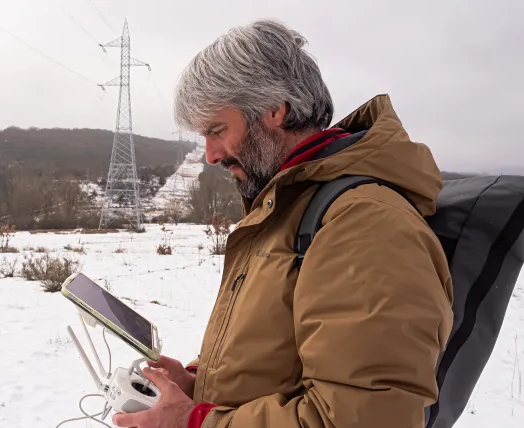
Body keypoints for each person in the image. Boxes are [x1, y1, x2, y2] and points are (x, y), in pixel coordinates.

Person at [112, 18, 453, 428]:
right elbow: (275, 361)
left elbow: (362, 418)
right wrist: (197, 384)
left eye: (217, 130)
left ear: (276, 109)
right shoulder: (286, 210)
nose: (211, 155)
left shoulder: (363, 223)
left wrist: (196, 423)